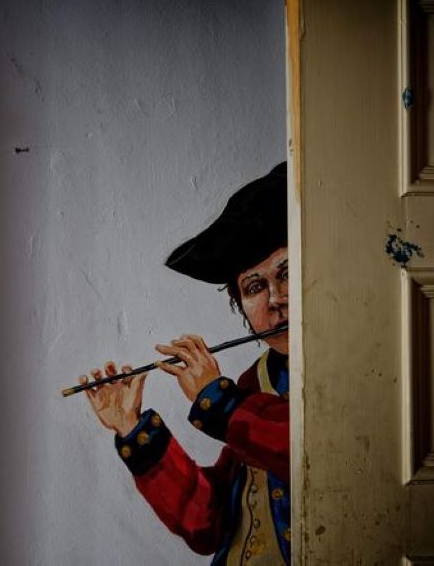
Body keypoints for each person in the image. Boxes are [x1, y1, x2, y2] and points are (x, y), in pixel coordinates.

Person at [82, 162, 290, 565]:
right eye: (254, 286)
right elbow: (208, 526)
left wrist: (220, 401)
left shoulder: (365, 367)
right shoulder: (256, 380)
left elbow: (319, 449)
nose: (276, 299)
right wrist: (132, 427)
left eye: (288, 274)